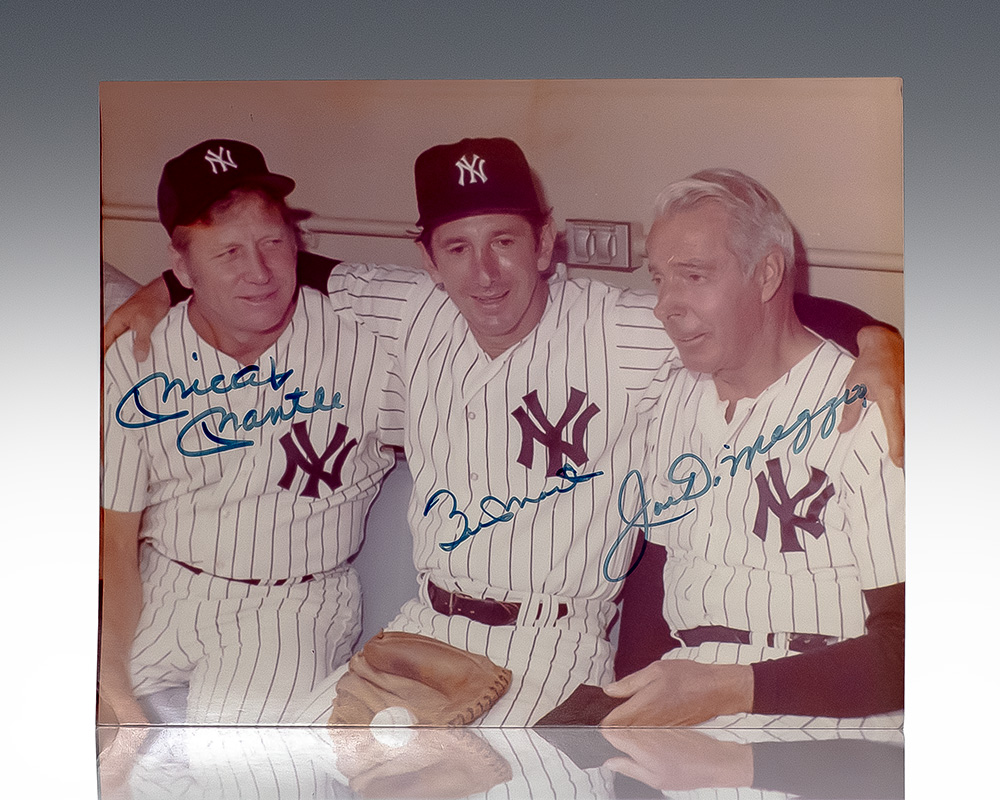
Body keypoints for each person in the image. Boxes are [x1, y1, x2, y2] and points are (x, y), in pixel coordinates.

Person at [106, 138, 904, 727]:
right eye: (456, 247)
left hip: (553, 641)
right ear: (426, 258)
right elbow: (276, 266)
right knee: (298, 770)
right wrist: (162, 285)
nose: (484, 274)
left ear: (546, 240)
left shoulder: (628, 327)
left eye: (505, 242)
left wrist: (882, 343)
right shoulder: (405, 312)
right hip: (424, 627)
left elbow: (765, 316)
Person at [100, 139, 400, 724]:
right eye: (229, 252)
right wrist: (110, 684)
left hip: (288, 604)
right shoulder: (137, 356)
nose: (259, 272)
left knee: (239, 772)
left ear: (296, 242)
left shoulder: (368, 347)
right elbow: (116, 543)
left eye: (272, 243)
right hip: (163, 585)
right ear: (183, 268)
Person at [602, 169, 904, 728]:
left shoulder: (868, 408)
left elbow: (912, 649)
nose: (665, 305)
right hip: (686, 714)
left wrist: (731, 689)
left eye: (693, 276)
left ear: (766, 273)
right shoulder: (670, 395)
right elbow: (653, 586)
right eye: (659, 279)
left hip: (825, 725)